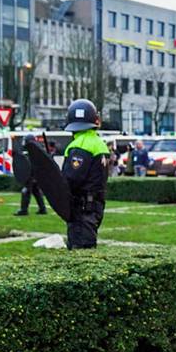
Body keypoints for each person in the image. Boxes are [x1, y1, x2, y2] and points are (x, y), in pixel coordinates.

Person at [61, 99, 109, 249]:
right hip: (95, 206)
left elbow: (71, 180)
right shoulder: (99, 143)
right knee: (88, 247)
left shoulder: (79, 145)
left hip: (81, 208)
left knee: (79, 249)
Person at [14, 135, 48, 216]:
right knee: (36, 192)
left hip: (31, 175)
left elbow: (32, 164)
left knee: (25, 191)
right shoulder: (36, 150)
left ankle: (23, 210)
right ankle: (42, 209)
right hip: (34, 175)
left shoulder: (34, 151)